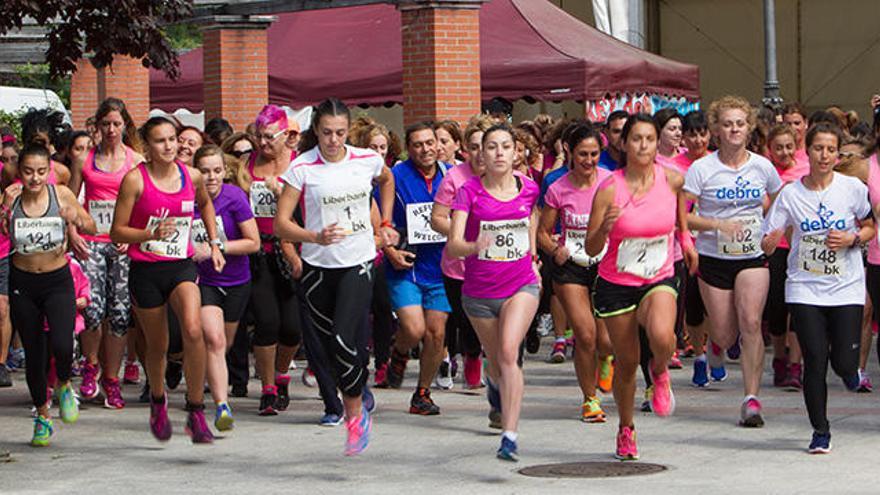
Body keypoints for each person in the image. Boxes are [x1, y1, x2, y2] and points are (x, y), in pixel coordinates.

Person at [274, 97, 397, 456]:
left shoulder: (366, 159)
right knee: (329, 349)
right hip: (317, 268)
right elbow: (283, 223)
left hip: (357, 262)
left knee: (346, 340)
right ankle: (351, 404)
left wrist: (386, 222)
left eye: (340, 133)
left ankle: (355, 416)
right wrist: (314, 236)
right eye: (327, 133)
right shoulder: (302, 168)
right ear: (316, 131)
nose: (333, 140)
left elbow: (386, 180)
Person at [586, 113, 696, 460]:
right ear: (624, 143)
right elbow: (590, 248)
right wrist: (604, 228)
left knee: (665, 336)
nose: (644, 145)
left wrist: (688, 245)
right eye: (637, 139)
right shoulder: (608, 187)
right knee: (627, 362)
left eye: (650, 138)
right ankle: (626, 428)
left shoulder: (673, 180)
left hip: (659, 276)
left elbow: (681, 224)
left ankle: (660, 369)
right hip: (617, 282)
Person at [110, 116, 225, 443]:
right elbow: (117, 230)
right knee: (157, 344)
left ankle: (196, 410)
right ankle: (158, 401)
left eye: (173, 139)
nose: (169, 146)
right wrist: (149, 232)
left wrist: (214, 243)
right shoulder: (135, 180)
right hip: (146, 270)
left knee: (193, 329)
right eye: (161, 141)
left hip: (181, 265)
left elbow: (206, 207)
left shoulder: (193, 175)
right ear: (147, 146)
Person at [761, 122, 873, 454]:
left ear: (838, 154)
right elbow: (768, 242)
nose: (824, 155)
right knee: (814, 358)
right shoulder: (791, 194)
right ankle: (820, 430)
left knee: (841, 361)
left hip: (846, 287)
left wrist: (852, 239)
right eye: (817, 148)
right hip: (805, 287)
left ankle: (851, 371)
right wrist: (769, 241)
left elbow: (869, 227)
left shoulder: (852, 188)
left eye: (830, 149)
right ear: (806, 151)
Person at [684, 96, 783, 427]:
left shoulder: (763, 166)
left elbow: (780, 202)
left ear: (749, 127)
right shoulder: (702, 169)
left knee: (752, 322)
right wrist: (716, 224)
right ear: (716, 130)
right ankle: (716, 343)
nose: (734, 129)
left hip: (753, 256)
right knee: (727, 336)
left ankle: (751, 399)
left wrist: (771, 231)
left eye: (740, 123)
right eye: (727, 124)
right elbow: (682, 217)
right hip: (714, 257)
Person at [447, 123, 541, 461]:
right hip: (479, 294)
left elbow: (532, 217)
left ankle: (510, 435)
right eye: (492, 147)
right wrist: (475, 245)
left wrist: (532, 253)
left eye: (506, 146)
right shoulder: (469, 192)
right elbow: (455, 245)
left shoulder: (529, 188)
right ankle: (494, 386)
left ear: (517, 152)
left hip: (521, 286)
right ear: (480, 155)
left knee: (507, 352)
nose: (499, 153)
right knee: (496, 363)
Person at [3, 144, 96, 446]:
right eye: (28, 172)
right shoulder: (11, 196)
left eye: (41, 172)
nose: (35, 178)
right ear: (20, 172)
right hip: (23, 280)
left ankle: (65, 383)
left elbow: (91, 224)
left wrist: (76, 219)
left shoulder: (61, 195)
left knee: (61, 341)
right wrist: (4, 214)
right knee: (34, 352)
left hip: (57, 280)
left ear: (50, 171)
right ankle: (42, 417)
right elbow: (4, 231)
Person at [68, 98, 145, 409]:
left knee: (120, 313)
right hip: (92, 240)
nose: (111, 129)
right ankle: (90, 367)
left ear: (125, 124)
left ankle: (111, 380)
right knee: (91, 309)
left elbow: (144, 203)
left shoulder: (137, 161)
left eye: (116, 123)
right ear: (97, 127)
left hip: (122, 245)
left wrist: (133, 235)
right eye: (105, 124)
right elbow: (70, 200)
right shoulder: (84, 159)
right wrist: (73, 233)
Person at [537, 123, 613, 422]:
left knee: (606, 341)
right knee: (585, 334)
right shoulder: (557, 187)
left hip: (606, 265)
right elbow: (543, 232)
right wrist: (554, 249)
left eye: (595, 154)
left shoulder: (611, 182)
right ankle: (589, 399)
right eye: (583, 154)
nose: (589, 160)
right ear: (569, 151)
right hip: (571, 267)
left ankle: (607, 358)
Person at [380, 123, 450, 415]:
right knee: (413, 328)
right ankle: (399, 351)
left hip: (440, 266)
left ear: (438, 144)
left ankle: (422, 393)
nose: (425, 149)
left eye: (429, 143)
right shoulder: (394, 176)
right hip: (405, 264)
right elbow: (378, 220)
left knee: (435, 334)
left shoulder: (451, 175)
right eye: (418, 144)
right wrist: (389, 251)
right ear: (409, 148)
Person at [192, 145, 260, 430]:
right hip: (202, 282)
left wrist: (216, 247)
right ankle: (222, 406)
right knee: (215, 340)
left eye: (217, 171)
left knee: (226, 342)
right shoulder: (186, 198)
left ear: (225, 171)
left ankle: (206, 377)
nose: (211, 177)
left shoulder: (234, 198)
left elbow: (253, 243)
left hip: (235, 281)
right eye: (205, 171)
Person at [243, 105, 304, 416]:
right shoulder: (246, 166)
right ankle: (267, 387)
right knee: (267, 323)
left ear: (285, 136)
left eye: (269, 137)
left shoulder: (299, 166)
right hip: (260, 253)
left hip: (293, 252)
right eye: (258, 137)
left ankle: (281, 374)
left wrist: (283, 194)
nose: (262, 144)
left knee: (292, 328)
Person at [431, 114, 494, 393]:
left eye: (487, 146)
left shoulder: (508, 177)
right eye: (475, 146)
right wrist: (462, 235)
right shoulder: (455, 178)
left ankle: (496, 365)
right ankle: (471, 354)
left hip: (498, 264)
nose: (481, 153)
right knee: (467, 318)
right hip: (460, 266)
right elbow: (437, 218)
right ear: (466, 149)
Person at [764, 124, 810, 389]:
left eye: (788, 146)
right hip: (776, 249)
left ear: (796, 146)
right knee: (777, 308)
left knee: (799, 307)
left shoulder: (806, 170)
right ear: (770, 149)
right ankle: (779, 357)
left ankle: (795, 365)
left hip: (802, 248)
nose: (784, 152)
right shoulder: (766, 173)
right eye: (778, 147)